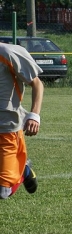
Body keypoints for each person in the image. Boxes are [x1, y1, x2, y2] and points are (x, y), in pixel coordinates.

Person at [0, 42, 42, 199]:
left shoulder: (8, 53)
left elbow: (37, 83)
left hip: (7, 127)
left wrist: (34, 116)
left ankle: (23, 170)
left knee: (3, 192)